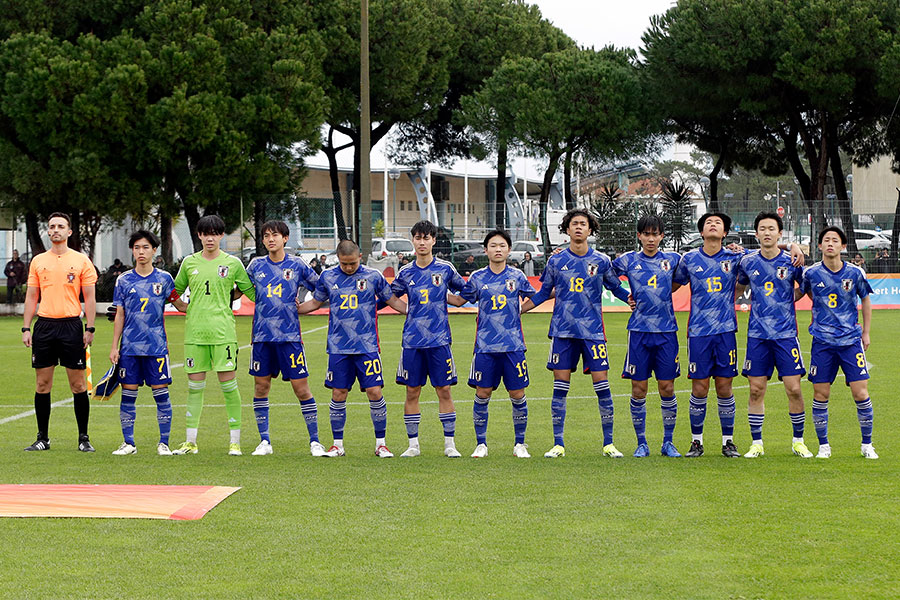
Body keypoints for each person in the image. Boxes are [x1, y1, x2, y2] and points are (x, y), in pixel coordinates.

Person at [520, 208, 631, 458]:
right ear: (567, 230)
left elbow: (616, 287)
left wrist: (631, 299)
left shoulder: (601, 261)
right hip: (563, 332)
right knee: (560, 388)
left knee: (602, 386)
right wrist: (519, 310)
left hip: (593, 333)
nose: (579, 227)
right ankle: (558, 444)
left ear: (590, 230)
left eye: (583, 224)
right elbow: (541, 293)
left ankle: (609, 444)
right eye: (574, 224)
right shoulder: (556, 261)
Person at [297, 240, 408, 457]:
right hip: (338, 348)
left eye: (353, 263)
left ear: (360, 256)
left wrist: (415, 311)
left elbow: (393, 300)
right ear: (338, 259)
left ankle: (381, 444)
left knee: (375, 392)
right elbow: (315, 302)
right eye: (344, 263)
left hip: (367, 346)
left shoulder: (373, 276)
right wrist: (294, 309)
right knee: (339, 393)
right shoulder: (328, 277)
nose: (349, 268)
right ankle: (337, 444)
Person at [171, 215, 256, 456]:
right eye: (205, 233)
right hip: (195, 334)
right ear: (198, 236)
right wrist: (186, 307)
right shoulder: (189, 263)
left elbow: (249, 290)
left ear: (221, 236)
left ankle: (235, 442)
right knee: (194, 388)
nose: (210, 237)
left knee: (229, 387)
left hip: (223, 333)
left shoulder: (233, 263)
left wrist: (232, 297)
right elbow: (174, 292)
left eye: (215, 233)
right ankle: (190, 442)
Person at [245, 220, 324, 457]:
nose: (271, 239)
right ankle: (264, 441)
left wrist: (305, 307)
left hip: (289, 338)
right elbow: (239, 288)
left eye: (276, 235)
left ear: (285, 238)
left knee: (301, 389)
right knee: (261, 387)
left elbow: (320, 288)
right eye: (267, 235)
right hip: (262, 338)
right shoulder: (255, 265)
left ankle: (315, 441)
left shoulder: (297, 264)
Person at [737, 212, 812, 458]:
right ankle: (756, 443)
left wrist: (790, 300)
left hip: (786, 335)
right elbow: (738, 286)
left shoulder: (792, 261)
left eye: (771, 228)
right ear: (756, 233)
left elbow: (804, 287)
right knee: (756, 389)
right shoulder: (747, 262)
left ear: (779, 233)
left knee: (794, 389)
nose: (767, 232)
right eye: (762, 228)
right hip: (758, 336)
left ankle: (798, 441)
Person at [798, 227, 877, 459]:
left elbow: (866, 300)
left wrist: (866, 333)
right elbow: (805, 294)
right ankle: (823, 446)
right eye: (826, 240)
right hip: (822, 342)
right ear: (820, 246)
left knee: (860, 392)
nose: (830, 243)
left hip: (851, 341)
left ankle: (867, 445)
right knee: (821, 393)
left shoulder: (855, 273)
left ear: (843, 246)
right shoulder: (811, 274)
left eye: (835, 240)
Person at [21, 212, 97, 452]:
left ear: (69, 232)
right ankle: (42, 438)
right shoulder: (38, 261)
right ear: (48, 231)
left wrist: (90, 327)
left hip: (71, 327)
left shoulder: (81, 260)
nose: (56, 230)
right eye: (52, 226)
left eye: (60, 226)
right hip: (44, 326)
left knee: (78, 385)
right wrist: (26, 327)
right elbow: (32, 296)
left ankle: (83, 438)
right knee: (42, 384)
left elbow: (90, 297)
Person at [456, 229, 536, 458]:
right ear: (485, 250)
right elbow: (461, 299)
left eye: (502, 245)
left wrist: (521, 310)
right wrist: (435, 295)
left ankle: (520, 444)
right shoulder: (477, 277)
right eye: (493, 245)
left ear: (509, 250)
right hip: (485, 347)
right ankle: (481, 444)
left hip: (513, 347)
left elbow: (535, 296)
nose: (498, 249)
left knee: (518, 394)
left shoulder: (518, 276)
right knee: (483, 393)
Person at [391, 220, 467, 457]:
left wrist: (450, 300)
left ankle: (450, 444)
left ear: (434, 240)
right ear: (412, 241)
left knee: (444, 390)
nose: (422, 242)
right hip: (412, 342)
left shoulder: (445, 268)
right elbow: (390, 297)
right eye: (417, 238)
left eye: (426, 238)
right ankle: (413, 445)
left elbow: (464, 293)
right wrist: (407, 310)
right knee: (412, 392)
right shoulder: (405, 272)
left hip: (439, 341)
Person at [109, 230, 188, 456]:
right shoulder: (123, 280)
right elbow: (120, 315)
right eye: (137, 248)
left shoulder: (164, 279)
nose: (141, 252)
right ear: (132, 251)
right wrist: (115, 346)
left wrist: (207, 305)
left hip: (156, 347)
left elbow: (181, 306)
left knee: (161, 394)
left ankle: (164, 443)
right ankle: (129, 443)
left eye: (145, 247)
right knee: (128, 394)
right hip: (130, 349)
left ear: (154, 250)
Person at [673, 213, 745, 458]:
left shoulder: (736, 257)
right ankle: (696, 442)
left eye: (718, 223)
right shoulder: (689, 259)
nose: (713, 225)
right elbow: (671, 284)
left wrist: (793, 247)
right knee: (700, 387)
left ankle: (728, 442)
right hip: (699, 332)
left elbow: (765, 254)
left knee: (725, 387)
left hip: (725, 331)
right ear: (702, 233)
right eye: (707, 223)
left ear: (724, 233)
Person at [612, 215, 683, 458]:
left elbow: (682, 279)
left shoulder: (673, 259)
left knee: (667, 387)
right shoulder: (628, 260)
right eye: (646, 234)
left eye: (655, 234)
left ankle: (668, 442)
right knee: (638, 388)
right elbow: (604, 274)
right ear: (639, 236)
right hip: (639, 332)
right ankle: (641, 443)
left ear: (662, 236)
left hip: (666, 332)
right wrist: (624, 296)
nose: (651, 239)